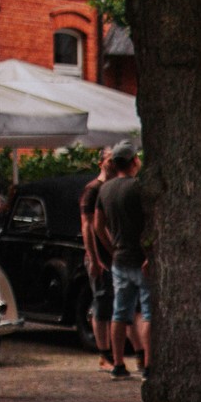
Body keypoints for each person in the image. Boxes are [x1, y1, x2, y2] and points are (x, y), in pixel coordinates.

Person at [93, 142, 151, 380]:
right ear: (134, 161)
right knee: (148, 314)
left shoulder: (104, 190)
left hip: (119, 259)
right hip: (142, 260)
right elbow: (152, 223)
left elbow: (98, 225)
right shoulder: (139, 188)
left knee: (120, 312)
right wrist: (150, 253)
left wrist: (111, 246)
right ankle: (149, 364)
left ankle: (118, 363)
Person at [79, 147, 117, 369]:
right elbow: (87, 225)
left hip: (112, 256)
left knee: (112, 304)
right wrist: (94, 258)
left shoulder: (110, 188)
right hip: (101, 256)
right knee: (102, 303)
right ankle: (104, 354)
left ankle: (110, 352)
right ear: (102, 162)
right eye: (110, 159)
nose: (113, 163)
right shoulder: (93, 190)